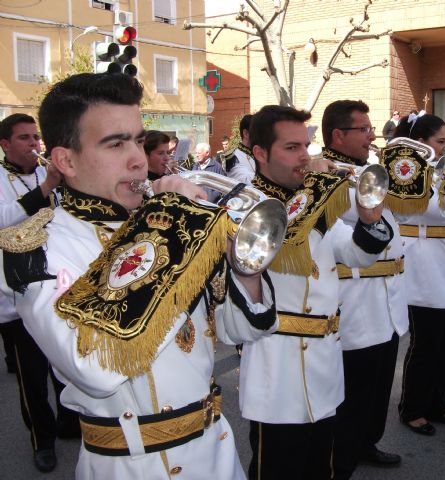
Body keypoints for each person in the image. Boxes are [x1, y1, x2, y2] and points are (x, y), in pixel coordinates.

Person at [0, 72, 277, 479]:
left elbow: (242, 331)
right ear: (65, 161)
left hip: (218, 453)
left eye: (136, 139)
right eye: (115, 143)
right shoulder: (36, 247)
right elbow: (94, 366)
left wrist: (243, 262)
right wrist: (169, 232)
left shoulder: (163, 221)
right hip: (133, 465)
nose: (137, 158)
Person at [243, 105, 392, 480]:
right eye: (291, 148)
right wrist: (321, 190)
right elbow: (270, 252)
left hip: (324, 366)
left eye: (305, 146)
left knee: (319, 468)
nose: (305, 157)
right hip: (275, 368)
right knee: (277, 468)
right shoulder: (243, 206)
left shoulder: (314, 204)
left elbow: (354, 254)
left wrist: (368, 217)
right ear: (260, 153)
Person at [321, 100, 407, 478]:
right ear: (339, 135)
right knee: (352, 396)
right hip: (355, 299)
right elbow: (352, 216)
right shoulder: (326, 174)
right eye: (365, 130)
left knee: (377, 388)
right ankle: (342, 461)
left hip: (386, 298)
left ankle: (366, 443)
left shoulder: (369, 170)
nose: (373, 136)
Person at [0, 113, 79, 473]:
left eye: (36, 138)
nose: (34, 144)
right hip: (15, 296)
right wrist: (47, 186)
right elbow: (4, 221)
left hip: (56, 284)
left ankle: (68, 421)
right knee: (31, 376)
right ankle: (42, 441)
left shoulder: (45, 174)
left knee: (63, 361)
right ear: (5, 144)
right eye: (24, 138)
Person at [393, 113, 445, 436]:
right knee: (426, 342)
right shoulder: (406, 171)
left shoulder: (440, 171)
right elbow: (440, 209)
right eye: (440, 142)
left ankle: (438, 401)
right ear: (420, 143)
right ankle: (412, 407)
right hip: (424, 263)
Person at [226, 114, 256, 184]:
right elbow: (245, 182)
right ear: (246, 133)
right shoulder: (232, 157)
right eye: (258, 132)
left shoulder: (259, 154)